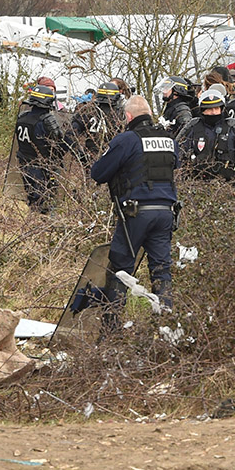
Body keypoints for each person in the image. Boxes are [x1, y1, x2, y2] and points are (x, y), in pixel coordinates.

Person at [89, 96, 180, 333]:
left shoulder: (127, 140)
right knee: (161, 269)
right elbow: (174, 165)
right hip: (166, 213)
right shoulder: (168, 139)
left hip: (136, 214)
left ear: (128, 117)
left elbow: (98, 173)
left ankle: (111, 328)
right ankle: (166, 324)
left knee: (120, 267)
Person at [177, 90, 235, 188]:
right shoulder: (193, 128)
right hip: (197, 185)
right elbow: (179, 157)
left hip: (229, 187)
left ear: (222, 108)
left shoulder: (233, 128)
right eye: (209, 109)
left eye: (216, 108)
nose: (213, 112)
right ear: (202, 110)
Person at [15, 84, 74, 213]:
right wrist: (69, 139)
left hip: (24, 163)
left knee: (32, 198)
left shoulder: (22, 117)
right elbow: (57, 147)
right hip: (42, 166)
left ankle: (33, 223)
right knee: (44, 201)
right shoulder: (46, 121)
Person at [71, 81, 126, 165]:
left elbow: (71, 133)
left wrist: (80, 156)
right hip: (115, 160)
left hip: (92, 159)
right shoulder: (122, 113)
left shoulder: (88, 110)